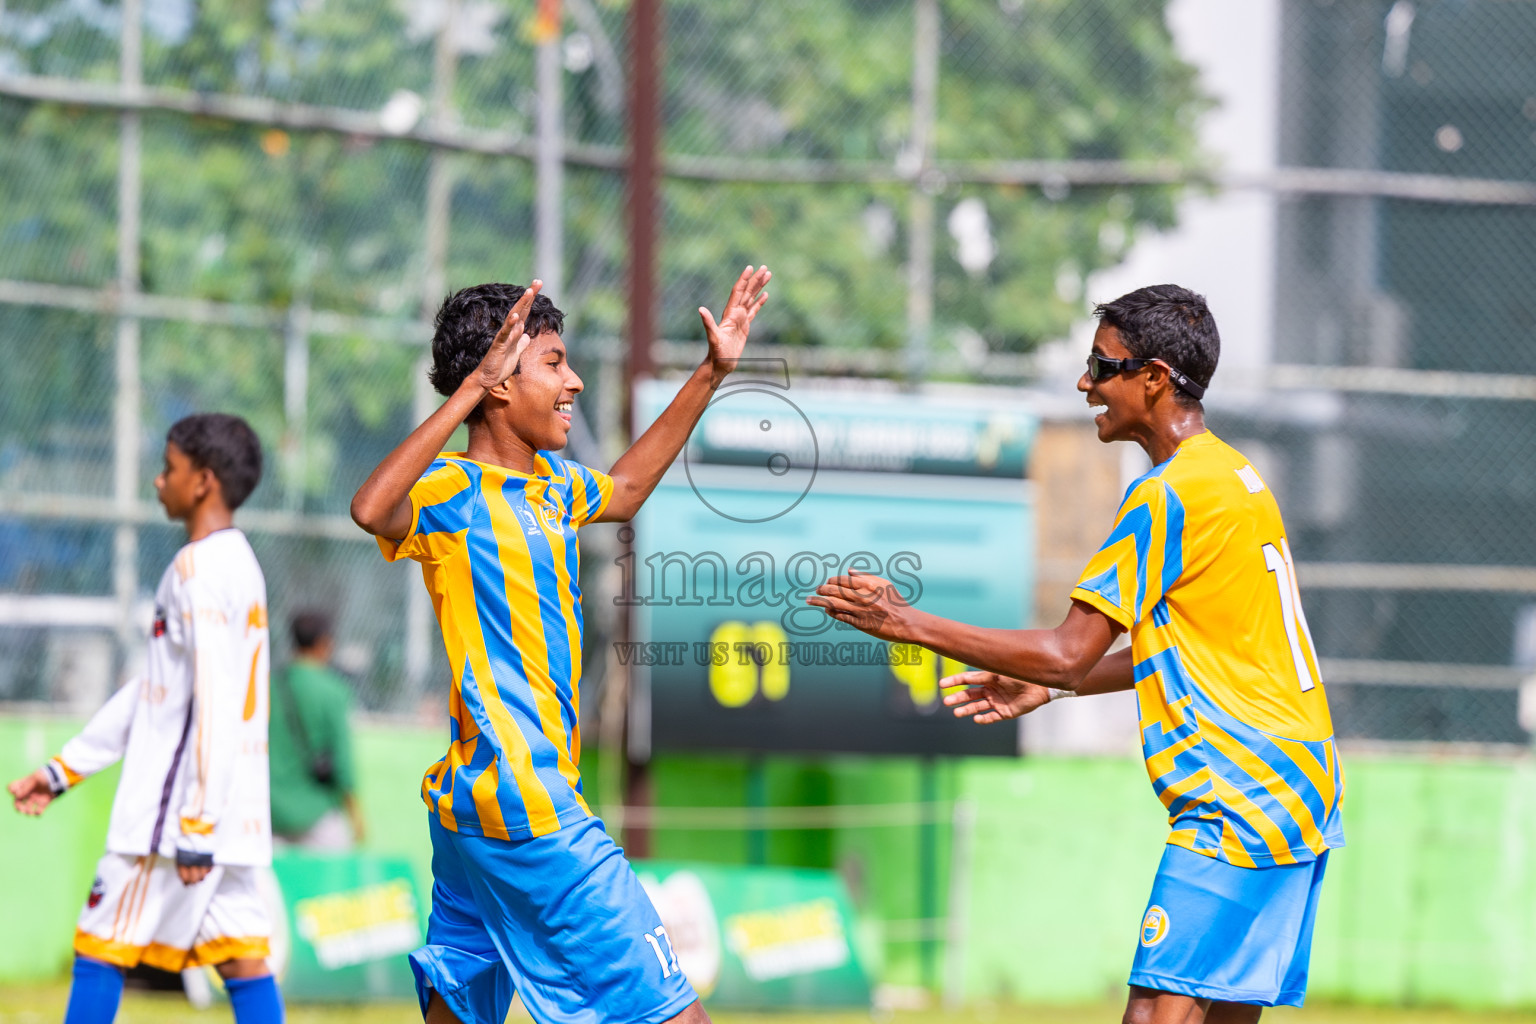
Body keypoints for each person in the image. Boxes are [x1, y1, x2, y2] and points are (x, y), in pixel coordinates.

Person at [809, 285, 1344, 1024]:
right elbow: (1191, 650)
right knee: (1216, 1014)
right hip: (1301, 780)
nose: (1085, 382)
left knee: (1155, 1013)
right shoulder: (1235, 477)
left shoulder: (1170, 495)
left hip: (1239, 790)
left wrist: (908, 624)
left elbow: (1065, 650)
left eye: (1102, 364)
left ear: (1154, 377)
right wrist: (1057, 689)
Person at [350, 266, 771, 1024]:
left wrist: (713, 372)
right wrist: (468, 389)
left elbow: (629, 489)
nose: (573, 381)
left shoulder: (551, 484)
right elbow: (372, 506)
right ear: (500, 384)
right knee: (677, 1015)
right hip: (528, 802)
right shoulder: (449, 490)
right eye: (553, 363)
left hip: (470, 809)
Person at [8, 413, 283, 1024]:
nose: (159, 482)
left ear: (204, 480)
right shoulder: (240, 564)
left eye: (169, 469)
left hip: (174, 819)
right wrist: (61, 771)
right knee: (243, 960)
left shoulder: (198, 570)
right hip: (230, 815)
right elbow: (156, 694)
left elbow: (211, 701)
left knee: (99, 947)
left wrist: (196, 825)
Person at [269, 608, 365, 850]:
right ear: (324, 643)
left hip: (270, 811)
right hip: (317, 815)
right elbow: (343, 765)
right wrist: (356, 818)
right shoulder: (333, 691)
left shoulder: (267, 685)